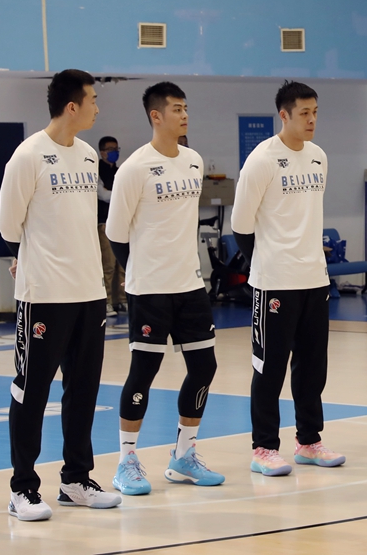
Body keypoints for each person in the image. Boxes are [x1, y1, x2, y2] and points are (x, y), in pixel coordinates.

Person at [0, 69, 121, 521]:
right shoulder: (28, 156)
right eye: (93, 100)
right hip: (44, 295)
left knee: (83, 390)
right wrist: (32, 258)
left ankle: (76, 479)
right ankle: (22, 488)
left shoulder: (87, 155)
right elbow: (8, 225)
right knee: (31, 390)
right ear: (72, 106)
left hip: (89, 294)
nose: (97, 108)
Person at [106, 81, 224, 495]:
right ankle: (126, 461)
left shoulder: (193, 161)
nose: (184, 115)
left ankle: (184, 455)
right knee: (144, 372)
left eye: (186, 108)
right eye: (176, 109)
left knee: (204, 368)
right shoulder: (134, 168)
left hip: (190, 285)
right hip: (150, 291)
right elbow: (116, 233)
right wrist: (141, 271)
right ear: (156, 116)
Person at [230, 80, 345, 477]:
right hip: (275, 283)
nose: (312, 120)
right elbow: (241, 225)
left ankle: (309, 441)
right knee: (270, 367)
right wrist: (267, 264)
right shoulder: (262, 160)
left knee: (312, 367)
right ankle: (263, 447)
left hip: (314, 279)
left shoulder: (318, 157)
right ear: (284, 115)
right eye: (304, 113)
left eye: (315, 112)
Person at [97, 136, 126, 316]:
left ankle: (121, 300)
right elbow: (103, 195)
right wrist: (119, 194)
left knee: (121, 264)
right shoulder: (96, 170)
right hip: (104, 223)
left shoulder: (120, 171)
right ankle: (106, 301)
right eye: (110, 149)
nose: (114, 152)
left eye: (116, 149)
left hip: (121, 222)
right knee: (108, 265)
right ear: (102, 152)